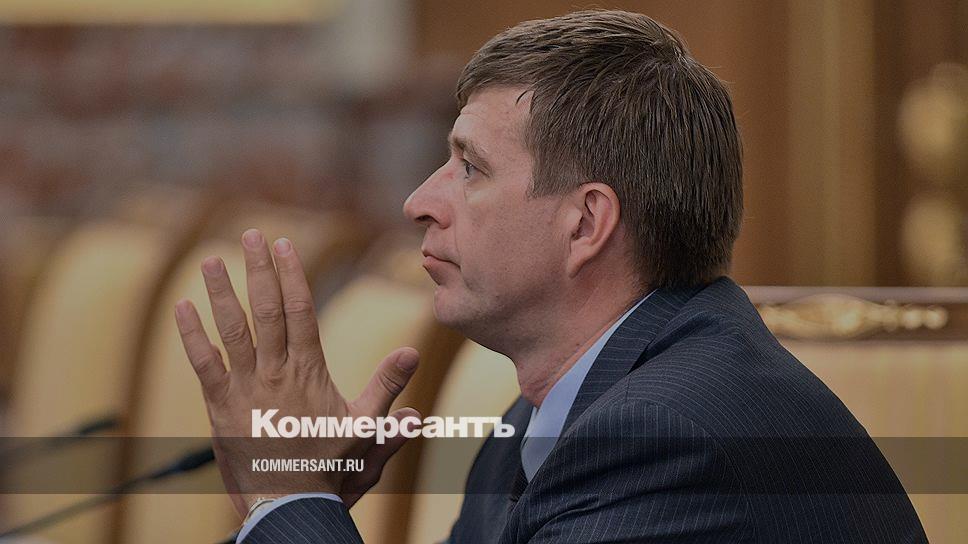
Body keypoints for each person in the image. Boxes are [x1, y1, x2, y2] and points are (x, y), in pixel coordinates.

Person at [174, 10, 928, 543]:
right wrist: (299, 506)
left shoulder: (665, 440)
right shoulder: (543, 417)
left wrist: (291, 501)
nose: (418, 202)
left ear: (585, 223)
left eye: (470, 167)